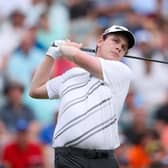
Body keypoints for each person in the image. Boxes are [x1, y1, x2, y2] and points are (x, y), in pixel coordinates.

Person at [29, 25, 135, 168]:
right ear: (100, 41)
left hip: (104, 160)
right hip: (69, 158)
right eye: (115, 41)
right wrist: (52, 53)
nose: (119, 48)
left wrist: (65, 49)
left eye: (123, 47)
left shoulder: (121, 71)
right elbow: (35, 90)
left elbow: (79, 57)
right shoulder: (72, 74)